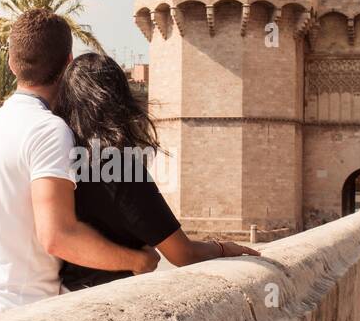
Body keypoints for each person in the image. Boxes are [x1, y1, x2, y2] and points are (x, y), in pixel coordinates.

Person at [0, 10, 159, 321]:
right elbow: (57, 235)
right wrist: (136, 260)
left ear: (12, 64)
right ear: (68, 64)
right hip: (18, 314)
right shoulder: (48, 130)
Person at [53, 52, 258, 291]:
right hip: (109, 294)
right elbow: (183, 253)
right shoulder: (118, 165)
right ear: (118, 98)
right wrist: (223, 248)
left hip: (64, 293)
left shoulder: (59, 154)